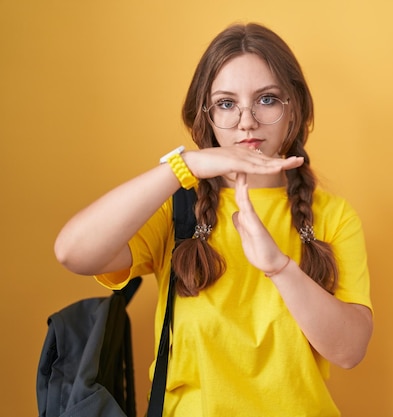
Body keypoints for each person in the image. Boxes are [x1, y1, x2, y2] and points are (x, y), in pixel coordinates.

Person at [54, 22, 373, 416]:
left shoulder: (332, 215)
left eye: (267, 99)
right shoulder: (177, 208)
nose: (246, 121)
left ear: (295, 110)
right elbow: (73, 252)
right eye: (226, 103)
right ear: (205, 115)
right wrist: (183, 165)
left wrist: (278, 267)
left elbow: (349, 350)